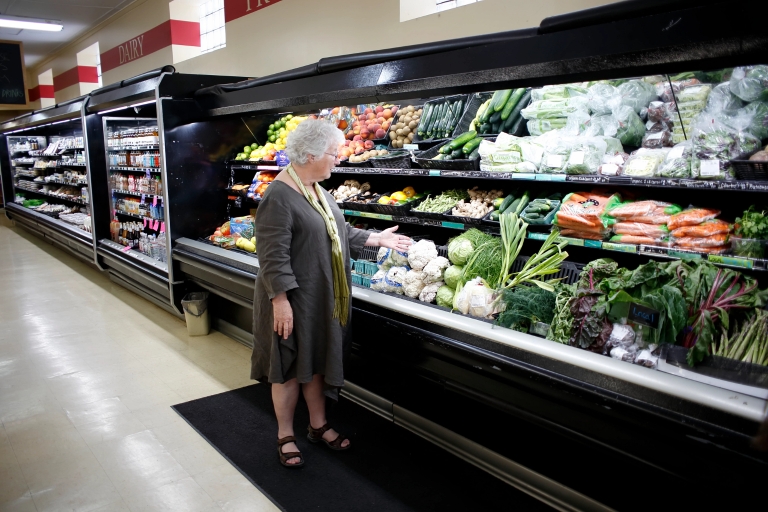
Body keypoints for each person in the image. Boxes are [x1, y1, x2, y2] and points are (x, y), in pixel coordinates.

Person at [250, 119, 412, 468]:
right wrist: (280, 303)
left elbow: (339, 232)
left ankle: (318, 425)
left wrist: (378, 239)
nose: (337, 159)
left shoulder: (316, 190)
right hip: (292, 300)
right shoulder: (278, 197)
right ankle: (285, 435)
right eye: (332, 154)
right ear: (309, 154)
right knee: (290, 367)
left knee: (318, 362)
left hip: (319, 298)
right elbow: (272, 258)